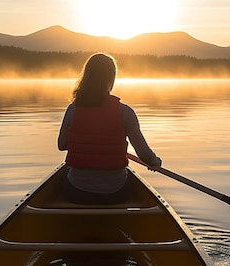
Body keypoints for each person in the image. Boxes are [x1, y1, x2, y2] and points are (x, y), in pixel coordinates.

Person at [57, 52, 162, 204]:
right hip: (116, 193)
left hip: (77, 192)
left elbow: (61, 145)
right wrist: (155, 162)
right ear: (111, 78)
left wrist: (84, 144)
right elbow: (144, 154)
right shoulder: (125, 112)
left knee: (63, 176)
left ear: (86, 76)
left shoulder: (73, 110)